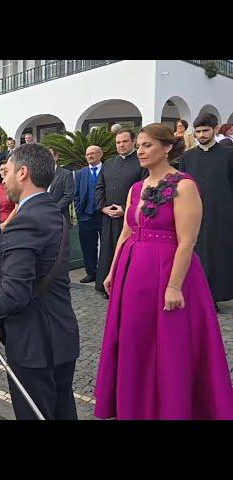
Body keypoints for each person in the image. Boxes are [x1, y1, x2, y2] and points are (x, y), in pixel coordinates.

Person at [94, 123, 233, 420]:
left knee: (170, 346)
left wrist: (173, 286)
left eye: (147, 145)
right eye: (140, 146)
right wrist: (112, 270)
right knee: (135, 340)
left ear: (167, 147)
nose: (141, 151)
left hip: (170, 271)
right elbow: (126, 232)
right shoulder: (136, 188)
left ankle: (171, 407)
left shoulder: (184, 185)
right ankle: (135, 407)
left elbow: (187, 241)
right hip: (134, 274)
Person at [0, 144, 80, 420]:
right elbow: (6, 261)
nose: (3, 179)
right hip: (59, 336)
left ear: (23, 173)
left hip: (35, 344)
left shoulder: (26, 221)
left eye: (6, 172)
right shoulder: (51, 211)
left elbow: (14, 294)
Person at [178, 113, 233, 310]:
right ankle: (193, 294)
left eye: (205, 130)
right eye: (198, 131)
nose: (201, 135)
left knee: (216, 254)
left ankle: (214, 296)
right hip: (192, 215)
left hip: (221, 215)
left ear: (215, 129)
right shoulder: (187, 157)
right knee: (193, 253)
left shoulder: (228, 154)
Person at [95, 129, 148, 298]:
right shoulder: (109, 163)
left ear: (133, 142)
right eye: (118, 142)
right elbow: (99, 187)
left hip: (131, 219)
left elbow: (145, 189)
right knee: (108, 251)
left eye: (125, 141)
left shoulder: (141, 162)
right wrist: (102, 207)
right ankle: (107, 286)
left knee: (127, 252)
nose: (121, 145)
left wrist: (126, 210)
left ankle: (126, 287)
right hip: (109, 216)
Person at [74, 146, 104, 284]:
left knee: (106, 246)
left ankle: (105, 274)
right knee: (87, 246)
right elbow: (76, 194)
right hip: (86, 216)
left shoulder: (107, 170)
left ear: (100, 154)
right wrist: (79, 212)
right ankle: (91, 272)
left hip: (104, 215)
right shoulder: (81, 173)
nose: (90, 156)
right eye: (87, 154)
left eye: (92, 153)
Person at [47, 148, 75, 224]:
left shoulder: (66, 174)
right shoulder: (40, 174)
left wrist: (54, 209)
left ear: (56, 157)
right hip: (43, 218)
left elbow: (69, 195)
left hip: (60, 217)